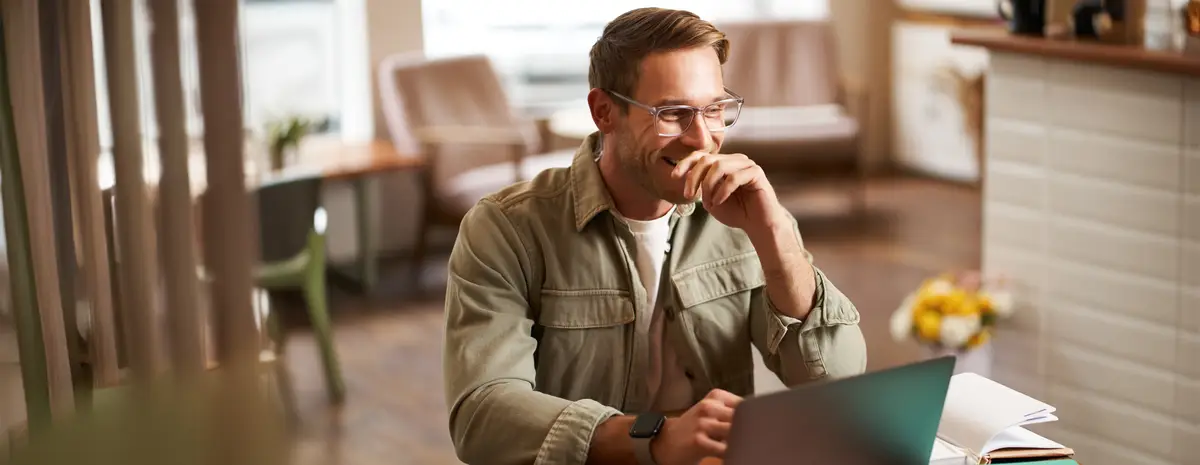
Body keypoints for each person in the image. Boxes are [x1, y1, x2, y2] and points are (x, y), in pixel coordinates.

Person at [442, 7, 867, 465]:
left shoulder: (750, 218)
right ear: (604, 112)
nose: (702, 138)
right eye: (673, 113)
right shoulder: (505, 229)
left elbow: (835, 382)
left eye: (714, 109)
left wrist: (775, 235)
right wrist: (654, 438)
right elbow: (482, 414)